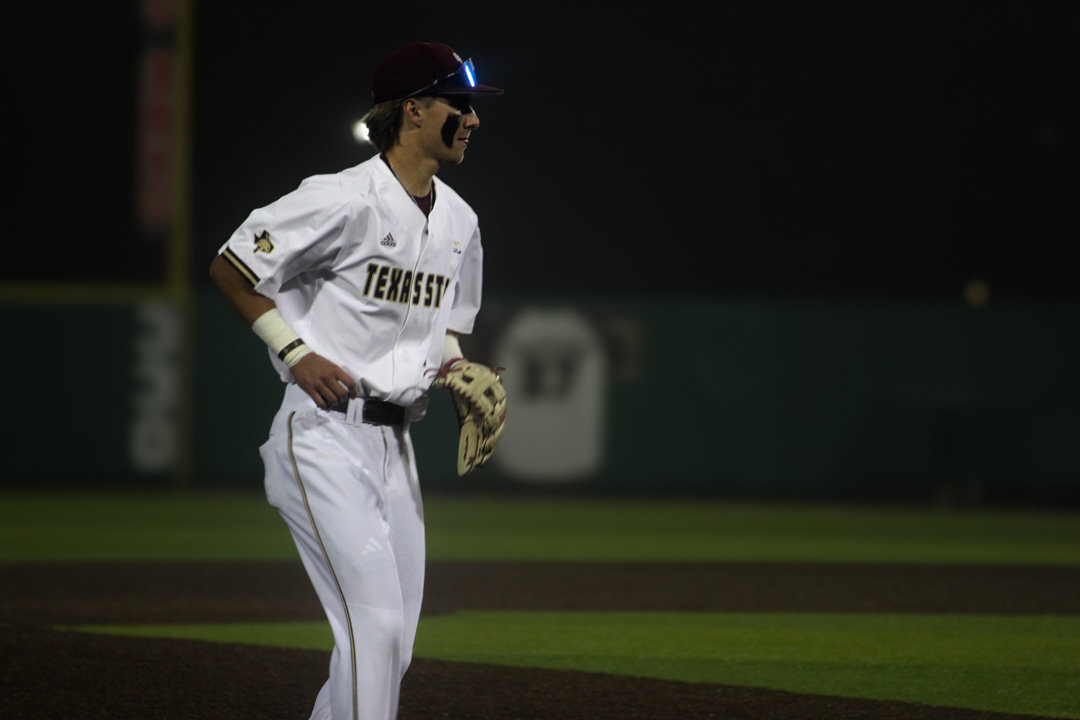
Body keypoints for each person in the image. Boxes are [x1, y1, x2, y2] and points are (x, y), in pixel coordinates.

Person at [208, 41, 503, 720]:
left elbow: (445, 327)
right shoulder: (341, 198)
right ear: (414, 110)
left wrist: (457, 368)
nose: (474, 120)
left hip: (396, 449)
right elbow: (233, 266)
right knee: (374, 629)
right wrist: (294, 351)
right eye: (461, 105)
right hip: (323, 439)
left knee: (390, 649)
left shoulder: (461, 221)